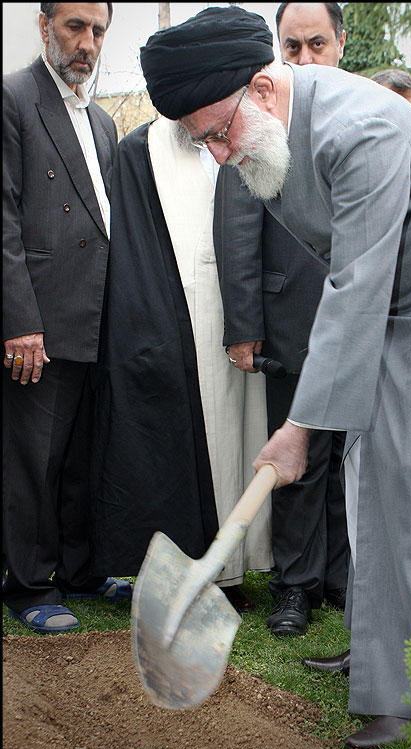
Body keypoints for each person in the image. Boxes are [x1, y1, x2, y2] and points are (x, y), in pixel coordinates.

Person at [139, 6, 411, 749]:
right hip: (387, 303)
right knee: (369, 479)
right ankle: (383, 659)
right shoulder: (267, 134)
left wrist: (296, 426)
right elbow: (353, 283)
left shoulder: (359, 126)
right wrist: (313, 416)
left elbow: (356, 282)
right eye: (201, 140)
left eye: (219, 132)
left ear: (262, 88)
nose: (217, 154)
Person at [88, 35, 273, 610]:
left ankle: (241, 568)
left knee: (250, 438)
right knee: (195, 441)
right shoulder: (141, 152)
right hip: (179, 325)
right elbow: (133, 249)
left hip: (253, 316)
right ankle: (198, 567)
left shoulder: (260, 133)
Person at [213, 2, 350, 636]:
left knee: (349, 454)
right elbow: (237, 227)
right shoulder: (255, 118)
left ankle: (342, 577)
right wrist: (244, 324)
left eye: (315, 43)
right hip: (288, 316)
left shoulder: (357, 115)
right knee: (296, 453)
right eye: (290, 45)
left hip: (358, 316)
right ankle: (295, 585)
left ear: (340, 44)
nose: (303, 56)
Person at [2, 3, 132, 635]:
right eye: (75, 26)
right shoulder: (12, 97)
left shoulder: (104, 122)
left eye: (98, 31)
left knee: (84, 452)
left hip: (97, 312)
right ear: (44, 22)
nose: (87, 43)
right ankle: (28, 583)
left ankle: (80, 572)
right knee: (34, 457)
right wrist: (20, 321)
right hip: (39, 320)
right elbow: (2, 221)